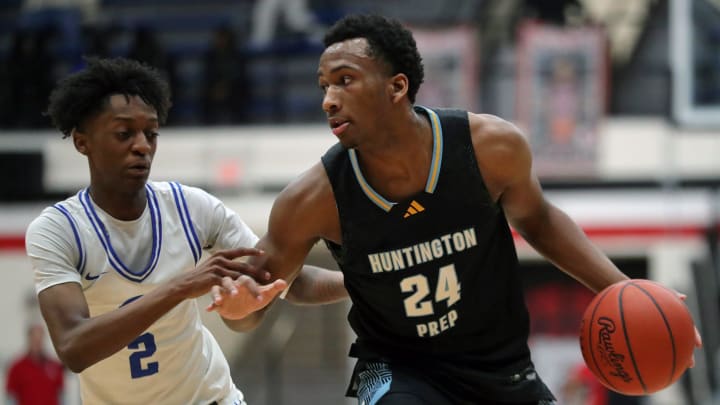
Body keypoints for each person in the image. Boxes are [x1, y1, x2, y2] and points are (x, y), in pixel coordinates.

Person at [209, 14, 703, 405]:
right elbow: (271, 291)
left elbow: (539, 221)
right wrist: (239, 312)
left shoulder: (489, 148)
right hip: (398, 369)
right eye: (323, 86)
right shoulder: (312, 199)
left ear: (396, 88)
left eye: (344, 81)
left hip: (500, 366)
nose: (328, 100)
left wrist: (633, 292)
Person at [25, 56, 346, 405]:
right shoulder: (58, 230)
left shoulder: (192, 208)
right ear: (82, 142)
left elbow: (288, 280)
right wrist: (179, 287)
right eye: (124, 133)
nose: (142, 146)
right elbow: (74, 347)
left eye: (151, 134)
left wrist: (366, 281)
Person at [5, 324, 64, 405]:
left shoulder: (55, 366)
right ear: (29, 339)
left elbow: (61, 395)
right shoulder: (17, 367)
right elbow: (10, 397)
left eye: (39, 340)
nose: (37, 343)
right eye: (34, 340)